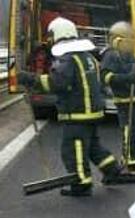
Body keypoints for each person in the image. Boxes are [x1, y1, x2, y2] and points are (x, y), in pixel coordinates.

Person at [18, 17, 124, 197]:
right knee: (92, 147)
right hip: (92, 112)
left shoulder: (68, 58)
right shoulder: (88, 56)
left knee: (72, 149)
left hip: (77, 114)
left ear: (59, 35)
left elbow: (57, 83)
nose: (50, 40)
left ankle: (81, 184)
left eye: (52, 35)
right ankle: (112, 170)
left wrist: (28, 79)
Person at [101, 21, 135, 173]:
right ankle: (129, 163)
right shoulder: (110, 55)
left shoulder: (128, 55)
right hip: (124, 100)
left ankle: (134, 162)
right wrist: (127, 78)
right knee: (130, 132)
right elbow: (106, 77)